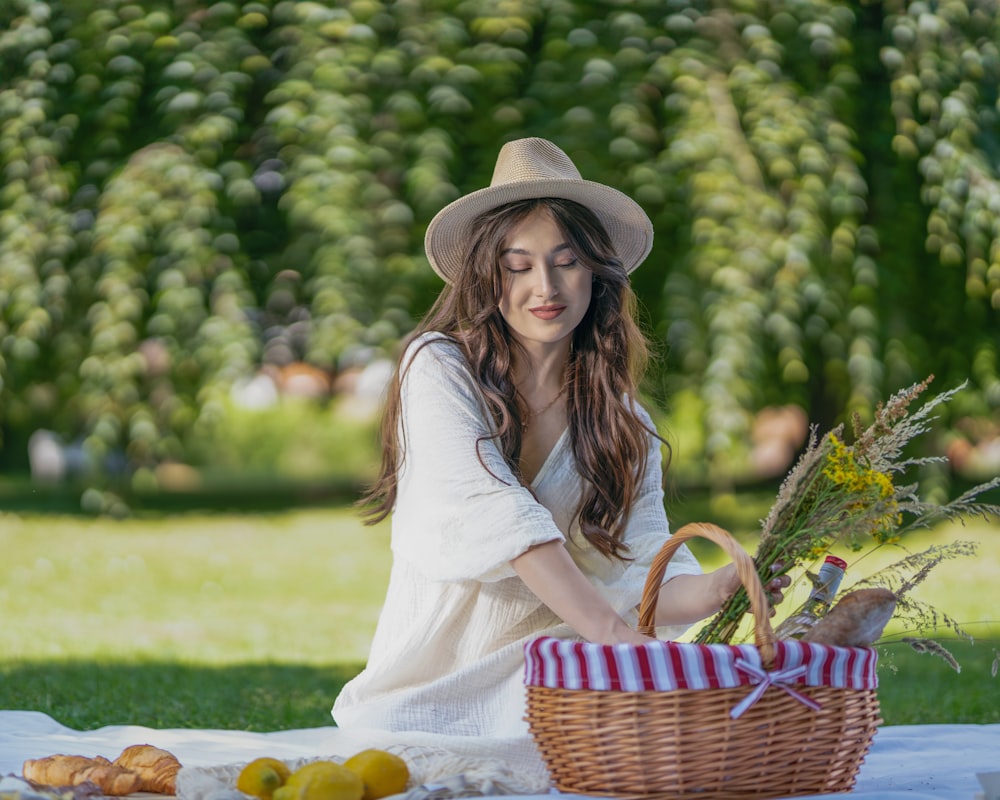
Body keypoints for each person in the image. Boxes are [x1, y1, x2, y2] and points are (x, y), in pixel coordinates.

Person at [332, 138, 788, 742]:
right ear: (486, 275)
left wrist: (718, 586)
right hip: (443, 686)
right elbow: (503, 517)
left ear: (596, 272)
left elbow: (641, 564)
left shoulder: (624, 419)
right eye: (518, 266)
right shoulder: (438, 367)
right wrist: (617, 638)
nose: (544, 286)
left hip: (569, 676)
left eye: (566, 261)